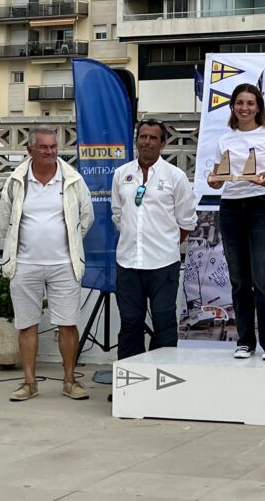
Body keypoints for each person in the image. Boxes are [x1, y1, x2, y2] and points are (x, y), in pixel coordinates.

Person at [0, 126, 94, 402]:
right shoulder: (16, 181)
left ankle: (69, 381)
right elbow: (5, 221)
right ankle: (29, 383)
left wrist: (70, 244)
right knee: (26, 324)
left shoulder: (72, 180)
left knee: (68, 324)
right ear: (30, 150)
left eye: (53, 146)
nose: (51, 152)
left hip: (64, 264)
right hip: (24, 264)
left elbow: (84, 218)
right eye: (44, 147)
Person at [207, 83, 265, 360]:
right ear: (233, 107)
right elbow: (215, 180)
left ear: (258, 106)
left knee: (264, 277)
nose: (244, 108)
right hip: (231, 208)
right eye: (239, 103)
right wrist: (214, 181)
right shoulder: (225, 140)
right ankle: (245, 341)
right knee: (238, 279)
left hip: (262, 207)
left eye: (250, 103)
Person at [112, 119, 197, 362]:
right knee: (130, 323)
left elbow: (187, 222)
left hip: (163, 265)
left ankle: (160, 383)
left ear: (163, 143)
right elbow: (118, 215)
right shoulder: (121, 174)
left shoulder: (176, 177)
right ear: (137, 140)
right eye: (143, 137)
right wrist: (135, 237)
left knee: (164, 322)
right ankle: (130, 383)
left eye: (153, 138)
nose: (147, 142)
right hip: (128, 263)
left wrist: (166, 243)